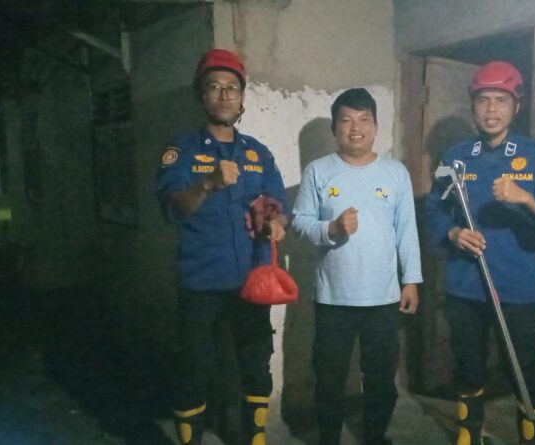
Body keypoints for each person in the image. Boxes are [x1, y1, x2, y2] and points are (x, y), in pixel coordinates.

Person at [426, 61, 535, 445]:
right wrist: (452, 232)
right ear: (472, 105)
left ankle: (529, 430)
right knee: (467, 364)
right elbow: (434, 210)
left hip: (518, 285)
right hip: (465, 284)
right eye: (483, 100)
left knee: (522, 364)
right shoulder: (455, 158)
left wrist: (527, 199)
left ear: (516, 105)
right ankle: (469, 432)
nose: (491, 109)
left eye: (501, 100)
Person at [156, 48, 288, 445]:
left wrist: (276, 223)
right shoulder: (182, 150)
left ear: (242, 97)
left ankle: (254, 438)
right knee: (193, 368)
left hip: (251, 281)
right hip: (201, 281)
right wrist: (208, 183)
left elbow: (279, 205)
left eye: (232, 87)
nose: (225, 94)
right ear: (202, 95)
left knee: (256, 364)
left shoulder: (257, 153)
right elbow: (172, 208)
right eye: (214, 86)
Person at [291, 88, 422, 445]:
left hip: (383, 298)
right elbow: (299, 222)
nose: (356, 128)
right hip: (333, 298)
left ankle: (375, 437)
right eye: (346, 120)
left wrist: (411, 280)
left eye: (364, 119)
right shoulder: (318, 171)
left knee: (381, 378)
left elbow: (406, 229)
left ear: (376, 126)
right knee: (329, 378)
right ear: (335, 128)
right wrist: (331, 229)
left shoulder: (395, 172)